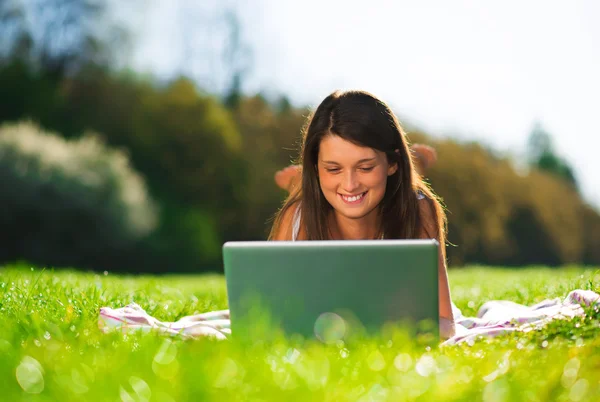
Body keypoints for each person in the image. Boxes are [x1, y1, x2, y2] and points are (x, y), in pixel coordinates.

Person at [268, 90, 455, 339]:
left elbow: (444, 322)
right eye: (333, 169)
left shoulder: (419, 210)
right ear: (315, 168)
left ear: (392, 163)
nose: (350, 184)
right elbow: (267, 319)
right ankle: (299, 182)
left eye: (365, 167)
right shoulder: (297, 219)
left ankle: (415, 165)